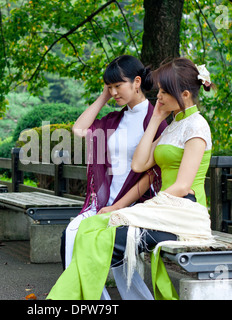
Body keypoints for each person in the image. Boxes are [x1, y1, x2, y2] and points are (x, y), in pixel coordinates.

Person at [48, 57, 215, 300]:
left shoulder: (197, 127)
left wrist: (139, 209)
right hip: (166, 211)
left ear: (185, 94)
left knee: (106, 237)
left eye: (164, 92)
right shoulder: (174, 126)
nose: (158, 96)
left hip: (185, 215)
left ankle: (70, 299)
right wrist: (157, 118)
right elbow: (139, 164)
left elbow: (182, 186)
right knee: (88, 228)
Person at [61, 55, 168, 300]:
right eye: (109, 86)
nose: (113, 91)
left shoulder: (155, 121)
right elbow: (79, 130)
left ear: (137, 82)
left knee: (88, 237)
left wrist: (118, 207)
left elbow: (154, 175)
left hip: (135, 204)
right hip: (102, 203)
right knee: (72, 233)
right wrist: (104, 96)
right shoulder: (114, 119)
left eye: (118, 85)